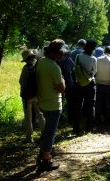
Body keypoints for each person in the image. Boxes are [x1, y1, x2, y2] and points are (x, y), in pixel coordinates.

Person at [36, 39, 66, 171]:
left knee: (47, 130)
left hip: (43, 101)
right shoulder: (54, 67)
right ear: (55, 53)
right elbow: (61, 88)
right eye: (62, 53)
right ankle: (46, 160)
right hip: (53, 104)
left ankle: (42, 153)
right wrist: (63, 80)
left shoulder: (41, 61)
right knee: (50, 133)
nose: (63, 56)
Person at [19, 49, 45, 143]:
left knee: (28, 116)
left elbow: (21, 82)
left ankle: (29, 137)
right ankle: (44, 134)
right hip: (37, 95)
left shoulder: (25, 68)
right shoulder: (38, 66)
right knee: (40, 114)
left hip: (27, 96)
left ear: (25, 60)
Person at [72, 39, 97, 134]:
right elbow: (94, 72)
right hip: (90, 84)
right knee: (90, 106)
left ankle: (76, 127)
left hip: (78, 84)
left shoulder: (78, 56)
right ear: (93, 48)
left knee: (77, 105)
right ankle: (89, 127)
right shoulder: (93, 59)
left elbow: (75, 69)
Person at [95, 46, 110, 125]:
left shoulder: (97, 60)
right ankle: (108, 120)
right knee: (108, 103)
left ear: (104, 51)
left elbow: (94, 72)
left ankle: (97, 119)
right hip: (109, 85)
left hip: (98, 84)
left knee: (98, 103)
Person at [57, 45, 75, 123]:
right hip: (69, 83)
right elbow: (74, 70)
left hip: (59, 82)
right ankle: (70, 118)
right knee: (70, 102)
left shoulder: (56, 60)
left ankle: (59, 118)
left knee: (59, 101)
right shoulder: (69, 60)